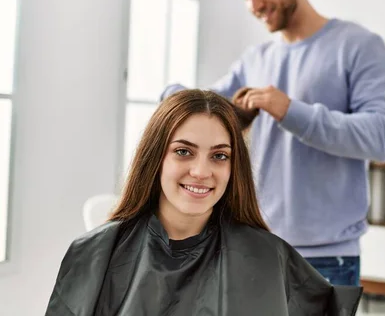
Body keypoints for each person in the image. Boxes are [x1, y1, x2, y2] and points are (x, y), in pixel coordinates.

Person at [162, 0, 385, 286]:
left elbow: (382, 138)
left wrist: (289, 110)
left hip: (327, 259)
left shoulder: (359, 46)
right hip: (256, 246)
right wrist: (184, 100)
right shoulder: (256, 60)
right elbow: (200, 106)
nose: (253, 5)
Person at [45, 90, 362, 316]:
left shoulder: (267, 257)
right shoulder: (93, 254)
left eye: (219, 156)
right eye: (183, 151)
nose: (201, 172)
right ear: (155, 158)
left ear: (232, 168)